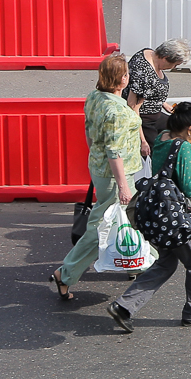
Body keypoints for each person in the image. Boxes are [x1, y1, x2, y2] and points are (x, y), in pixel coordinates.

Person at [107, 102, 191, 331]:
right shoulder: (185, 149)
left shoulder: (163, 138)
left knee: (166, 263)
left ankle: (124, 307)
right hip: (177, 217)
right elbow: (189, 187)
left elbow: (168, 167)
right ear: (189, 128)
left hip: (159, 214)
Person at [49, 53, 142, 302]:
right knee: (101, 228)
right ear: (122, 79)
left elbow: (89, 131)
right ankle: (65, 273)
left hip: (100, 169)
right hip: (115, 175)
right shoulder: (117, 112)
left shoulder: (95, 97)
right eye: (127, 74)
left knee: (123, 220)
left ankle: (138, 264)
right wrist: (123, 186)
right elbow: (115, 151)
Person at [125, 39, 191, 151]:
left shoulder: (150, 53)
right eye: (174, 64)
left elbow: (149, 92)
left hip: (156, 113)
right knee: (156, 151)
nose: (173, 68)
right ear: (165, 57)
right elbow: (132, 105)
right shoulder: (145, 73)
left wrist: (163, 104)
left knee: (182, 130)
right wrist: (143, 141)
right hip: (145, 120)